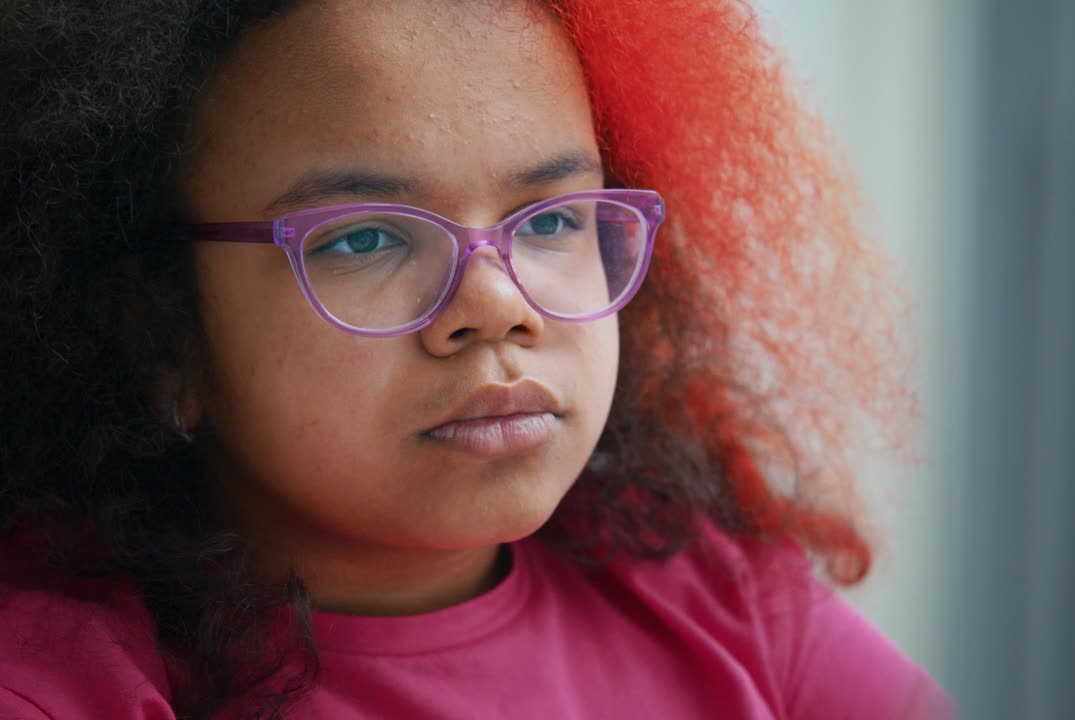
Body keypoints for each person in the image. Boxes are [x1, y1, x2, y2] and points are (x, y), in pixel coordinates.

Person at [0, 0, 949, 717]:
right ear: (160, 331)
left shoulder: (734, 611)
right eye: (366, 238)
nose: (496, 309)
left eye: (551, 219)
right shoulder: (63, 685)